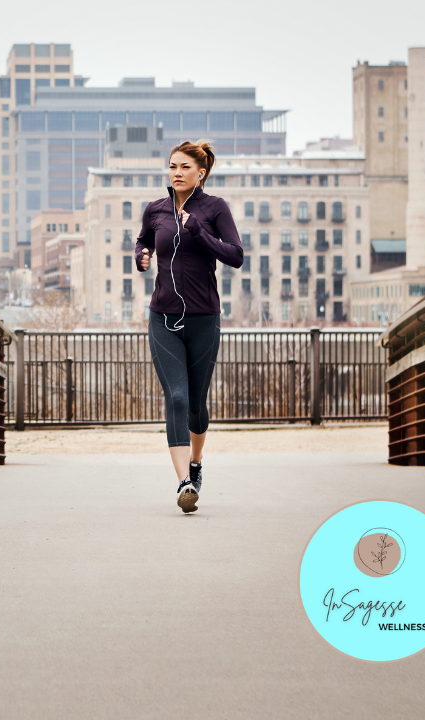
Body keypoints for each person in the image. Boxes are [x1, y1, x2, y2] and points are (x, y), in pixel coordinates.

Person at [135, 140, 243, 514]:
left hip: (204, 319)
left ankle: (196, 463)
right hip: (163, 317)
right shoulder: (156, 210)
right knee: (177, 398)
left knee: (196, 404)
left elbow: (236, 255)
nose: (176, 172)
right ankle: (183, 483)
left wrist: (199, 232)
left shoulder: (215, 208)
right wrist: (141, 256)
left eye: (184, 167)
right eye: (172, 166)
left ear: (201, 173)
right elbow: (143, 240)